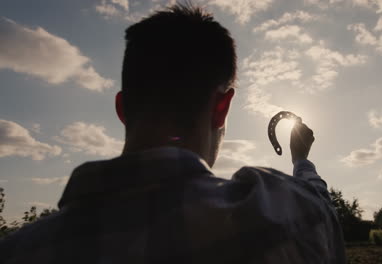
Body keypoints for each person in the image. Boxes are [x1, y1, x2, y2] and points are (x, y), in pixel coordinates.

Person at [0, 4, 346, 264]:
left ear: (122, 108)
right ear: (221, 108)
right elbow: (321, 213)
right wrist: (301, 158)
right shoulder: (276, 217)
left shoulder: (20, 250)